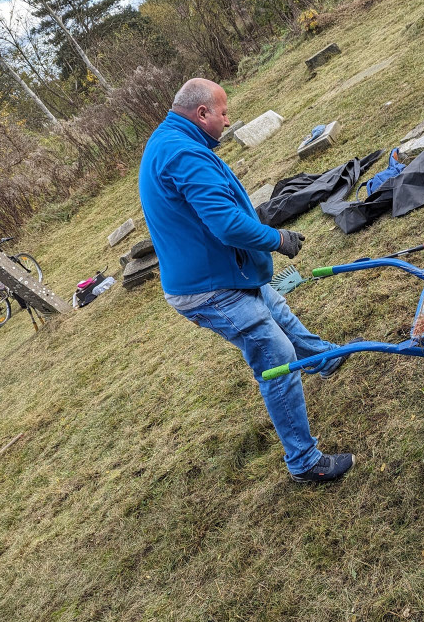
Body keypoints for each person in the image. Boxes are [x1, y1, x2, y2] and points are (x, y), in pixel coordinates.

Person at [138, 78, 355, 484]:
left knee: (277, 311)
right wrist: (277, 239)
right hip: (208, 287)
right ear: (202, 114)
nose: (227, 119)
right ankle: (304, 461)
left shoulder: (170, 137)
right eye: (223, 112)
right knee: (275, 354)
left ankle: (324, 358)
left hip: (222, 270)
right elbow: (225, 224)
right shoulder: (183, 154)